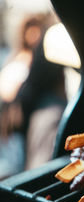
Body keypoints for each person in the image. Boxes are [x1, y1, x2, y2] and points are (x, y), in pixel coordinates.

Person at [0, 13, 66, 179]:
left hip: (33, 116)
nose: (32, 35)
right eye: (29, 31)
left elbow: (31, 87)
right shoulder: (16, 56)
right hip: (14, 120)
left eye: (35, 30)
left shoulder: (44, 56)